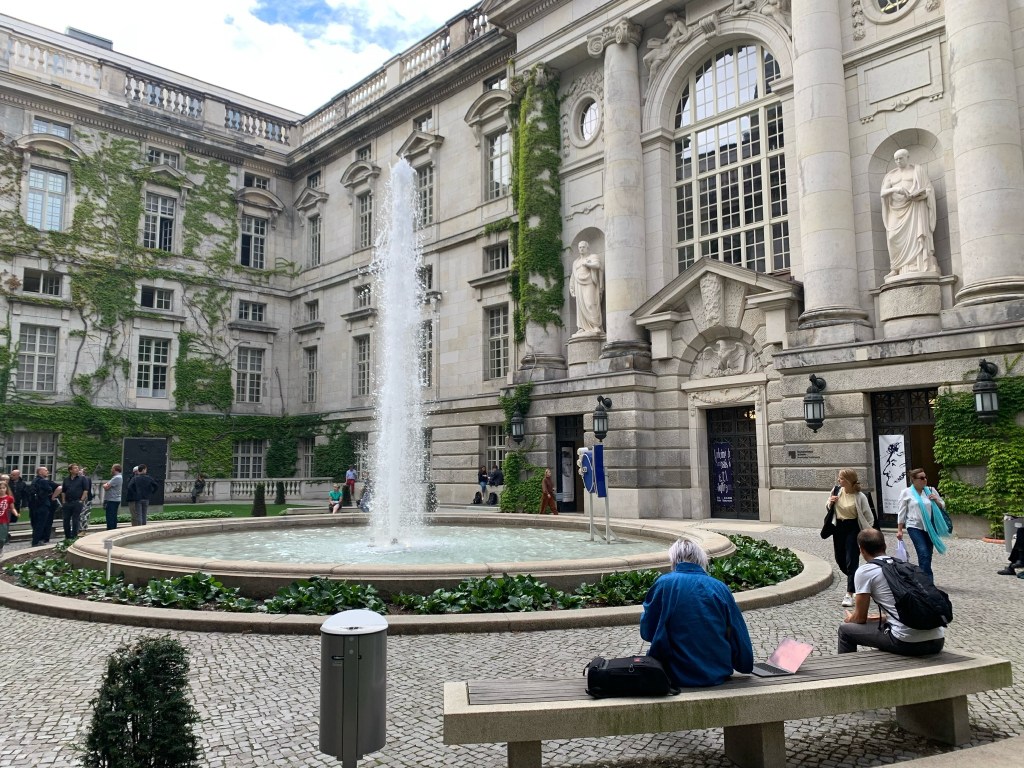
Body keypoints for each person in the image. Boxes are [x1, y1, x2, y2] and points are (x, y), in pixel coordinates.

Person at [640, 536, 754, 687]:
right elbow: (738, 633)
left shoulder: (664, 583)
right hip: (716, 673)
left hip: (674, 673)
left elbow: (647, 631)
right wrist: (745, 664)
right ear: (701, 560)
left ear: (673, 559)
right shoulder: (719, 587)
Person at [838, 529, 945, 656]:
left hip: (907, 643)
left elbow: (860, 618)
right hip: (937, 640)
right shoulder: (903, 565)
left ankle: (847, 669)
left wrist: (851, 618)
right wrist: (881, 618)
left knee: (845, 630)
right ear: (885, 546)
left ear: (861, 550)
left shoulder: (865, 571)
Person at [880, 149, 937, 278]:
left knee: (917, 235)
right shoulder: (891, 176)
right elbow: (882, 193)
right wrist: (896, 189)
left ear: (907, 157)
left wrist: (922, 194)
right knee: (892, 237)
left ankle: (920, 263)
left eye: (901, 158)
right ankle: (895, 267)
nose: (898, 161)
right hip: (896, 209)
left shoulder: (917, 170)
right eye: (896, 159)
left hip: (915, 206)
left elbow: (928, 188)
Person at [825, 469, 875, 608]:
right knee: (840, 559)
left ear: (848, 480)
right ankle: (858, 579)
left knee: (851, 560)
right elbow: (828, 507)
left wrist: (868, 533)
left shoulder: (860, 496)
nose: (838, 480)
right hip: (838, 528)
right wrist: (830, 502)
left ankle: (849, 593)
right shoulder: (836, 491)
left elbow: (869, 516)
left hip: (853, 528)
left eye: (841, 478)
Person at [897, 468, 949, 584]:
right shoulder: (906, 492)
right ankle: (927, 582)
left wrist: (936, 500)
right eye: (921, 478)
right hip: (914, 526)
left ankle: (922, 578)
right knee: (923, 552)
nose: (924, 480)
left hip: (930, 527)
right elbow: (901, 512)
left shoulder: (930, 490)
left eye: (925, 477)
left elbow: (942, 505)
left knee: (928, 555)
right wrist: (899, 530)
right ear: (913, 480)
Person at [569, 240, 604, 335]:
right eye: (580, 247)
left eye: (583, 247)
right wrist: (571, 287)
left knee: (590, 303)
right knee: (580, 306)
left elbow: (598, 265)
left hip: (590, 283)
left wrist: (587, 264)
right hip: (578, 285)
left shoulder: (593, 257)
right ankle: (582, 327)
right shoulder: (576, 262)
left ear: (587, 248)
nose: (581, 249)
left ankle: (595, 325)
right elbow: (573, 275)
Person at [56, 463, 89, 540]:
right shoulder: (66, 479)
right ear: (70, 470)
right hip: (67, 502)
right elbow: (63, 491)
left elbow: (85, 490)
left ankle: (74, 536)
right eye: (75, 468)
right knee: (66, 520)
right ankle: (67, 536)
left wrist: (81, 500)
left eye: (77, 468)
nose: (77, 469)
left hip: (77, 501)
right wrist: (63, 501)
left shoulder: (82, 479)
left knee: (75, 519)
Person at [28, 466, 57, 546]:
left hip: (34, 505)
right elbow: (50, 490)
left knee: (35, 523)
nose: (48, 472)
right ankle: (37, 541)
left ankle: (35, 539)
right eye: (46, 470)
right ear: (40, 472)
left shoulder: (34, 481)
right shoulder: (43, 481)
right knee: (41, 524)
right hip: (43, 504)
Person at [102, 464, 123, 530]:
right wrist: (106, 485)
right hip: (114, 499)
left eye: (112, 468)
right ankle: (113, 529)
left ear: (115, 469)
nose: (111, 470)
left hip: (112, 500)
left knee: (110, 517)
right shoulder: (117, 477)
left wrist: (105, 485)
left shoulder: (117, 478)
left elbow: (106, 487)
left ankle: (111, 530)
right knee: (113, 516)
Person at [0, 480, 17, 556]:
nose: (2, 490)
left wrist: (15, 513)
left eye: (3, 488)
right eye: (0, 488)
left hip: (3, 520)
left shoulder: (9, 498)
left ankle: (1, 548)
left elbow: (12, 508)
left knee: (2, 538)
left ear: (6, 489)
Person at [78, 465, 93, 532]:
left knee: (84, 515)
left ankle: (83, 529)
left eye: (80, 471)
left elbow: (86, 490)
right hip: (83, 499)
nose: (79, 472)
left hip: (86, 499)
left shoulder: (86, 479)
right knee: (82, 515)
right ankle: (81, 528)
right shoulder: (79, 479)